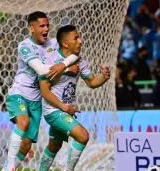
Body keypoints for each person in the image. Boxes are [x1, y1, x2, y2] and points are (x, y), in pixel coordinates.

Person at [2, 12, 80, 171]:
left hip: (37, 100)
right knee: (23, 122)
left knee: (26, 145)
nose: (46, 29)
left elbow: (74, 55)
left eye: (47, 26)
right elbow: (41, 69)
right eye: (42, 26)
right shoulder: (24, 46)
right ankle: (10, 166)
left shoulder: (53, 43)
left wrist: (65, 63)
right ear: (31, 28)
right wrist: (64, 68)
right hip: (19, 94)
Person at [38, 25, 110, 171]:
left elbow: (92, 82)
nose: (80, 41)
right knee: (83, 136)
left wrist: (104, 77)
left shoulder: (79, 59)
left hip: (65, 110)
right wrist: (64, 107)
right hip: (53, 110)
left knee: (54, 145)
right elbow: (45, 91)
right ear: (65, 44)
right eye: (76, 38)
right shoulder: (49, 58)